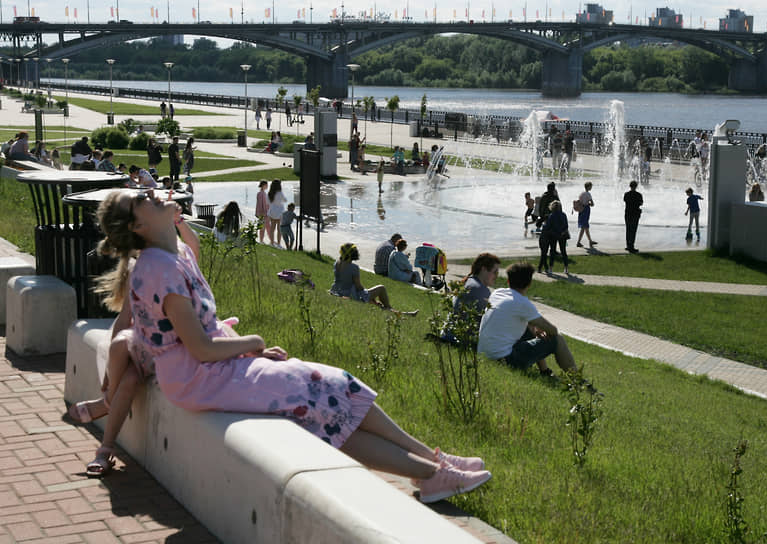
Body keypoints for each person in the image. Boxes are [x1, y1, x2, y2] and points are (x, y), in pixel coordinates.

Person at [96, 193, 483, 502]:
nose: (152, 192)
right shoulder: (158, 270)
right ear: (138, 225)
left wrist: (247, 352)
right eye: (142, 198)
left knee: (337, 387)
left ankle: (431, 461)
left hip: (212, 368)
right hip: (200, 375)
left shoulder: (171, 254)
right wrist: (253, 343)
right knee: (323, 393)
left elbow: (201, 326)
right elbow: (197, 347)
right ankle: (433, 474)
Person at [68, 195, 200, 476]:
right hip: (149, 348)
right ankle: (105, 448)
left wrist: (178, 222)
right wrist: (109, 375)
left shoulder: (176, 257)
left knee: (124, 363)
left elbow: (194, 248)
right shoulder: (142, 268)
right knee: (124, 372)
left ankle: (105, 406)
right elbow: (125, 318)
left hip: (172, 346)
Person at [478, 262, 578, 378]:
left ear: (508, 281)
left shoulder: (497, 293)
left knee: (528, 327)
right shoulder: (523, 303)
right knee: (557, 339)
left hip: (484, 354)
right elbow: (553, 330)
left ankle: (544, 371)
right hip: (506, 360)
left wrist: (534, 327)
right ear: (529, 284)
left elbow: (513, 315)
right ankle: (577, 381)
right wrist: (539, 328)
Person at [331, 243, 418, 317]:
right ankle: (392, 310)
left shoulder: (337, 263)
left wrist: (370, 298)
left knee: (374, 301)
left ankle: (399, 312)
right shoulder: (354, 268)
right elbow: (359, 287)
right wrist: (369, 297)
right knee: (381, 288)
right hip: (351, 295)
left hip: (337, 291)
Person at [538, 201, 569, 275]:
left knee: (552, 252)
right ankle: (566, 268)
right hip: (562, 235)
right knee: (563, 251)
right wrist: (562, 231)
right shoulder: (564, 215)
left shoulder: (552, 215)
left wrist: (543, 225)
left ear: (552, 207)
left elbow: (548, 226)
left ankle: (551, 268)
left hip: (554, 235)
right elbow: (566, 226)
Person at [623, 181, 643, 253]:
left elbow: (625, 201)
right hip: (635, 214)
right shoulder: (639, 195)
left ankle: (628, 245)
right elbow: (641, 203)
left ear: (630, 186)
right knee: (633, 230)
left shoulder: (626, 194)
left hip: (628, 213)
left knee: (628, 229)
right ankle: (631, 246)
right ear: (636, 186)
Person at [575, 181, 597, 248]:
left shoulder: (581, 193)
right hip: (586, 210)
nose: (591, 187)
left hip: (581, 210)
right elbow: (592, 204)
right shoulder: (588, 194)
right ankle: (578, 242)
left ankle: (590, 241)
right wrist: (589, 204)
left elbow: (580, 201)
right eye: (591, 186)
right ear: (588, 187)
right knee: (584, 227)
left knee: (585, 227)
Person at [268, 178, 287, 247]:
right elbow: (285, 200)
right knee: (279, 229)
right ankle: (278, 243)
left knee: (272, 228)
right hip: (280, 212)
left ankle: (272, 242)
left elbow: (268, 202)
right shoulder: (280, 193)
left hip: (272, 211)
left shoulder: (270, 193)